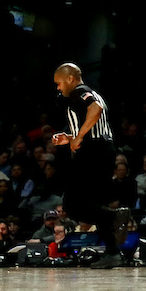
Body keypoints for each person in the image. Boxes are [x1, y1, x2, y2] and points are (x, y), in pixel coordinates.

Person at [51, 63, 129, 269]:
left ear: (69, 79)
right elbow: (89, 117)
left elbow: (96, 108)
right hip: (103, 150)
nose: (58, 88)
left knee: (72, 204)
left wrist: (79, 137)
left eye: (59, 83)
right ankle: (113, 252)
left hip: (93, 151)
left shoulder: (81, 91)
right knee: (95, 204)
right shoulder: (81, 95)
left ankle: (115, 216)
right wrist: (69, 137)